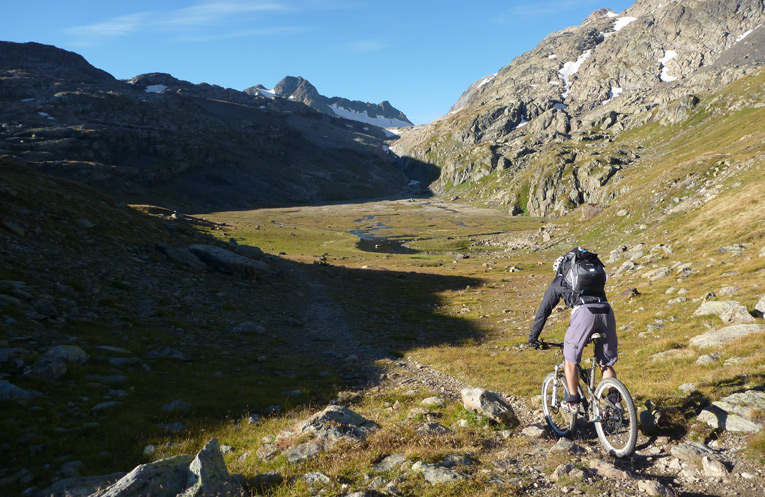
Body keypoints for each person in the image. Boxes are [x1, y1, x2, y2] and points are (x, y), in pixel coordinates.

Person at [528, 247, 618, 411]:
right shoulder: (591, 278)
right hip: (606, 311)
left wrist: (533, 337)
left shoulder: (559, 281)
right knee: (606, 363)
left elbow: (543, 312)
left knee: (570, 360)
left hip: (584, 313)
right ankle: (615, 401)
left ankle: (573, 402)